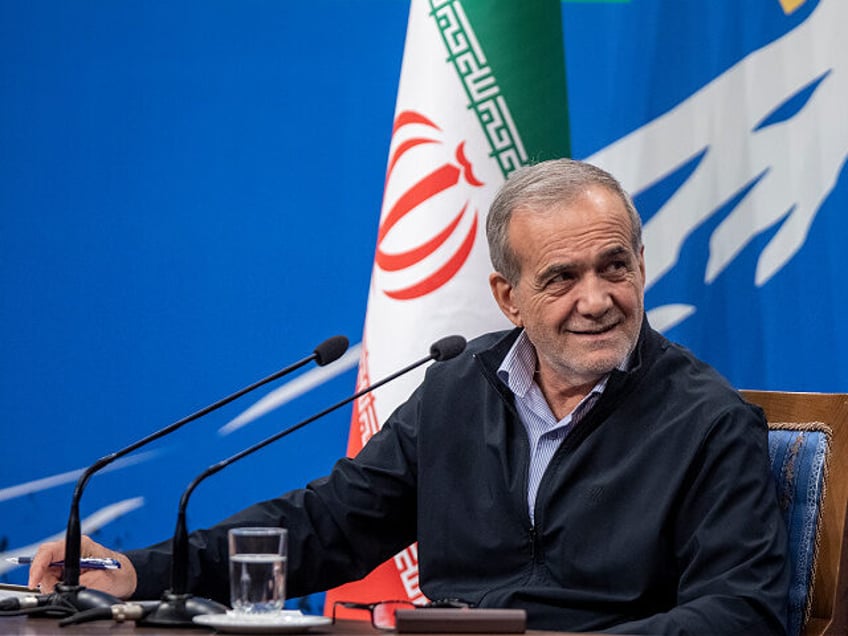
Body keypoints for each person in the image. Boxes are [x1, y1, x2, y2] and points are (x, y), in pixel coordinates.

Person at [29, 158, 790, 634]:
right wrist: (139, 572)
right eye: (561, 277)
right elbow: (327, 526)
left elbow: (739, 611)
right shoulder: (459, 388)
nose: (596, 299)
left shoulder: (709, 422)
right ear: (508, 297)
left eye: (613, 267)